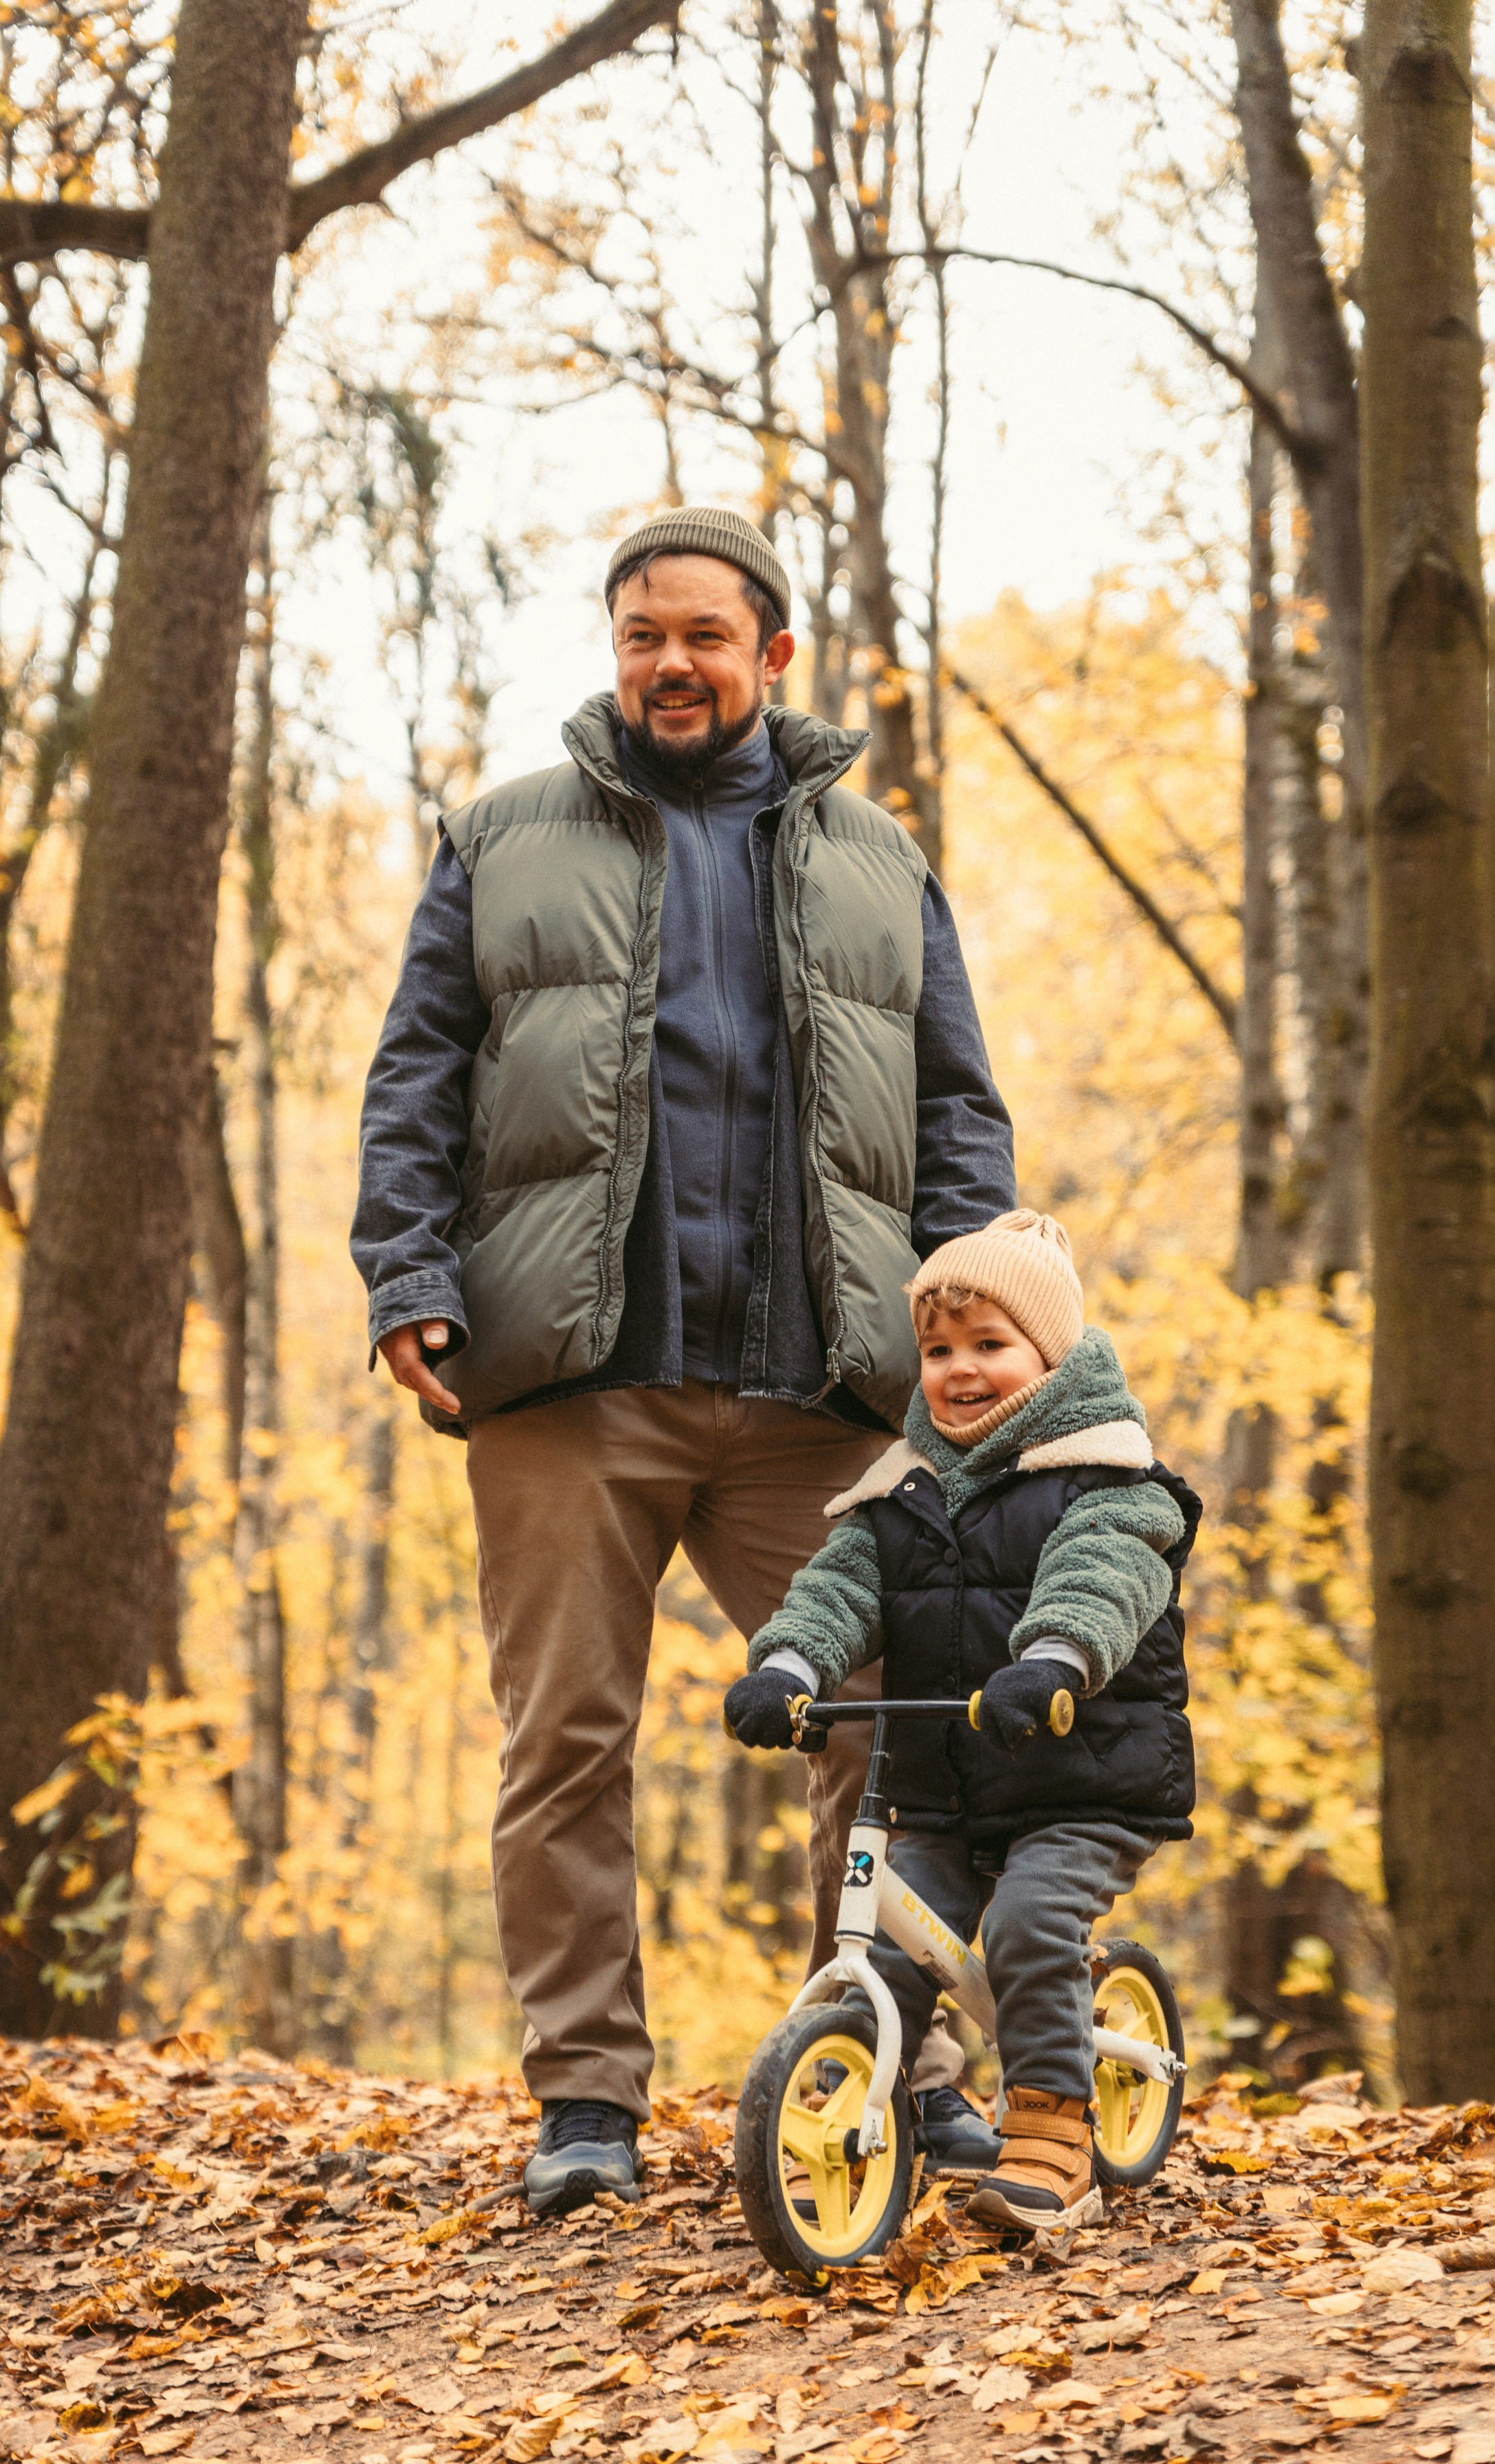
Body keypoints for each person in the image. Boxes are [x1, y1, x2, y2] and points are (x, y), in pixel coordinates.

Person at [352, 504, 1015, 2217]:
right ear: (615, 647)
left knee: (893, 1712)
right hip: (572, 1383)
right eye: (641, 632)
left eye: (702, 635)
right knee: (564, 1737)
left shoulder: (878, 859)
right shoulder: (499, 840)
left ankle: (888, 2052)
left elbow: (955, 1113)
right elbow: (417, 1074)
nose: (669, 661)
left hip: (819, 1396)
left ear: (770, 655)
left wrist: (978, 1323)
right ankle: (584, 2100)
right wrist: (408, 1273)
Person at [724, 1210, 1201, 2231]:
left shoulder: (1110, 1480)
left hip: (1082, 1782)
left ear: (1054, 1356)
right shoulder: (903, 1489)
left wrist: (1055, 1655)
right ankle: (874, 2120)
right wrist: (788, 1664)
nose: (961, 1369)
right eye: (939, 1350)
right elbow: (836, 1588)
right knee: (886, 1955)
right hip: (945, 1792)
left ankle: (1052, 2126)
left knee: (1030, 1924)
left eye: (991, 1344)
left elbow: (1103, 1577)